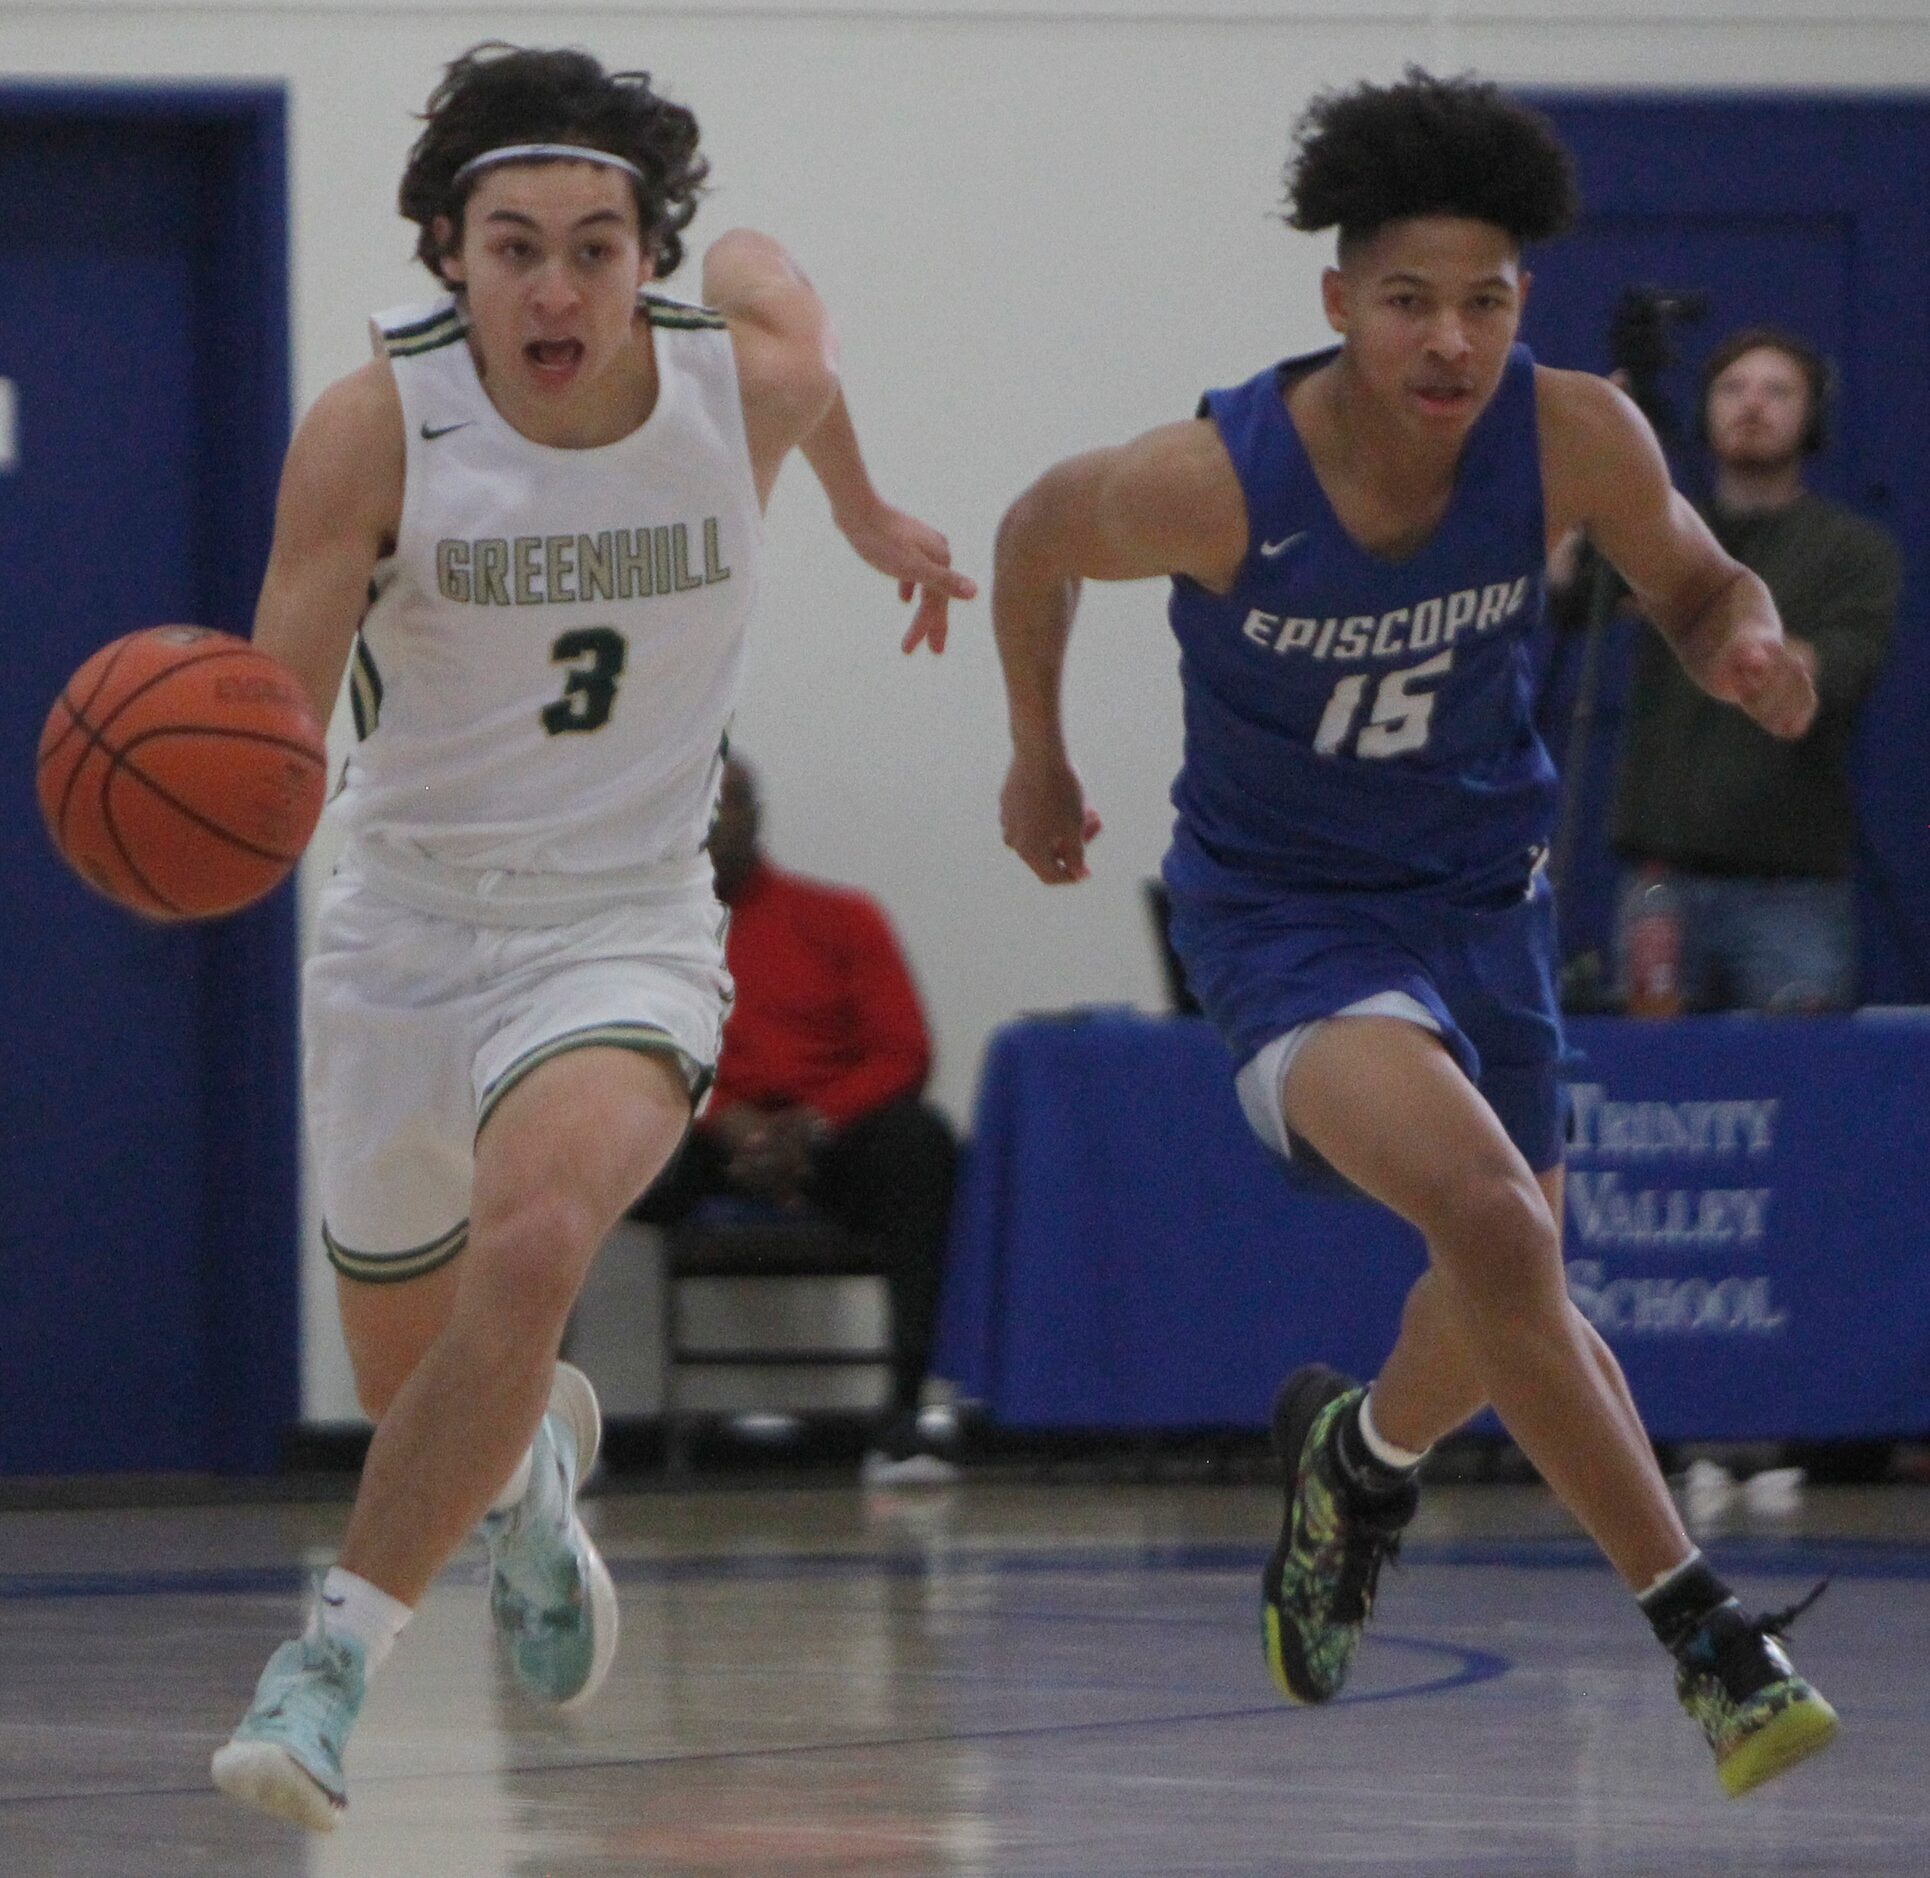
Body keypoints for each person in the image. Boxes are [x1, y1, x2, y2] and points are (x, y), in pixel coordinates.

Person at [988, 70, 1836, 1798]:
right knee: (1498, 1222)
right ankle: (1707, 1633)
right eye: (1407, 301)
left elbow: (1692, 581)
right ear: (1337, 303)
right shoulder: (1218, 480)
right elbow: (1030, 535)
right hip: (1288, 920)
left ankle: (1360, 1462)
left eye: (1486, 299)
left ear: (1522, 301)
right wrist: (1040, 751)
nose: (1450, 340)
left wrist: (1743, 642)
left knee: (1498, 1274)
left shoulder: (1576, 432)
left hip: (1482, 901)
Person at [211, 42, 972, 1832]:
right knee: (435, 1387)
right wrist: (212, 819)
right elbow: (271, 733)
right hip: (402, 923)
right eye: (513, 245)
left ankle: (326, 1663)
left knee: (540, 1229)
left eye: (596, 243)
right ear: (448, 255)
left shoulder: (737, 386)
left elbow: (797, 310)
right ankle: (533, 1472)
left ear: (650, 256)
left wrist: (858, 508)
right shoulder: (372, 424)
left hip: (621, 923)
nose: (556, 285)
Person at [633, 754, 962, 1484]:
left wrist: (812, 1123)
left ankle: (906, 1415)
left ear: (760, 815)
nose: (721, 823)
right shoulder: (640, 935)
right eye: (705, 808)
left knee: (921, 1143)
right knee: (582, 1149)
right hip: (706, 1139)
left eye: (736, 805)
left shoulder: (841, 919)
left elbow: (903, 1052)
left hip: (830, 1141)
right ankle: (552, 1426)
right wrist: (718, 1119)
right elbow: (633, 1055)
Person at [1610, 326, 1901, 1011]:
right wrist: (1593, 468)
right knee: (1649, 1094)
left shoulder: (1855, 550)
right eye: (1733, 388)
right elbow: (1565, 599)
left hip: (1791, 888)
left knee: (1805, 1091)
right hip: (1661, 880)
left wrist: (1747, 642)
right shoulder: (1659, 531)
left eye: (1778, 391)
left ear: (1813, 416)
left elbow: (1844, 669)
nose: (1753, 404)